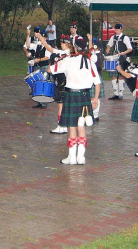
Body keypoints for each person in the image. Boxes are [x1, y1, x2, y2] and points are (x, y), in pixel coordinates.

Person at [42, 33, 100, 165]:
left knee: (72, 127)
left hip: (71, 96)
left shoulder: (68, 60)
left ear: (74, 47)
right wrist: (95, 98)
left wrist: (56, 59)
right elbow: (98, 82)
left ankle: (72, 157)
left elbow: (50, 70)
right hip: (85, 96)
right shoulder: (90, 62)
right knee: (82, 126)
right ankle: (81, 158)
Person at [38, 33, 71, 134]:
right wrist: (41, 39)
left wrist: (51, 63)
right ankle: (64, 125)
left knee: (61, 105)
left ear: (67, 44)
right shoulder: (68, 53)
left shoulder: (64, 54)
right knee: (64, 104)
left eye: (62, 43)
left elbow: (50, 50)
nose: (61, 44)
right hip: (67, 81)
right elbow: (49, 48)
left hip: (62, 80)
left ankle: (61, 125)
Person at [24, 27, 50, 109]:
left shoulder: (48, 46)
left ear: (45, 38)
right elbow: (28, 45)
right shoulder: (37, 45)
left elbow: (47, 57)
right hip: (38, 66)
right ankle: (39, 101)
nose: (40, 39)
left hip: (44, 66)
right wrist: (28, 35)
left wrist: (38, 59)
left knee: (44, 84)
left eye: (42, 37)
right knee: (37, 83)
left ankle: (44, 102)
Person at [105, 23, 132, 100]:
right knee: (114, 76)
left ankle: (120, 93)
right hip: (115, 58)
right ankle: (116, 93)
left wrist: (124, 53)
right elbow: (109, 44)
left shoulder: (125, 38)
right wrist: (108, 48)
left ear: (121, 29)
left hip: (123, 58)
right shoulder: (113, 37)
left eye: (118, 30)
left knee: (121, 76)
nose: (116, 31)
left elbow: (130, 48)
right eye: (115, 30)